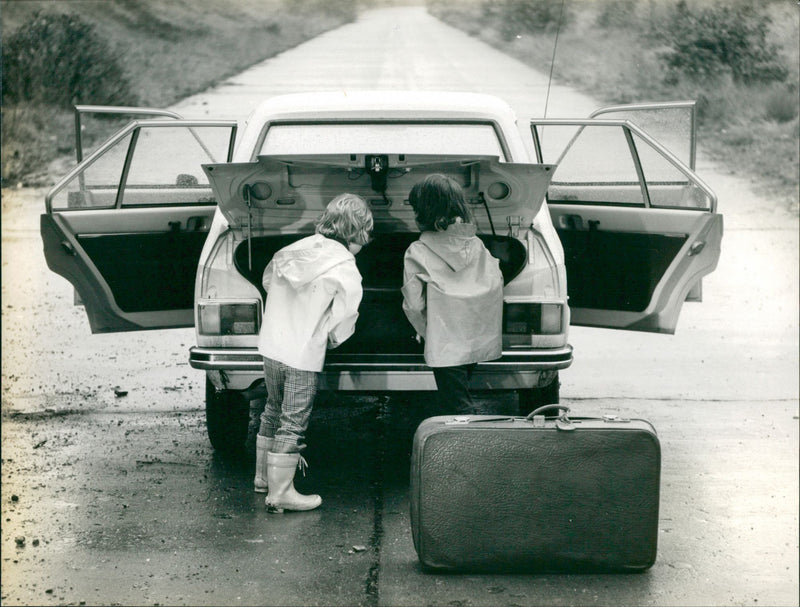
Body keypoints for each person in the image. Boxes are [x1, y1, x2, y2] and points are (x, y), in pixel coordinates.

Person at [254, 193, 373, 512]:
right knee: (293, 421)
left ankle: (262, 478)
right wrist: (330, 338)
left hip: (272, 344)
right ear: (356, 233)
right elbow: (345, 314)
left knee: (272, 408)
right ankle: (281, 493)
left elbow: (268, 281)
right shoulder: (345, 266)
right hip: (302, 350)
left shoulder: (290, 250)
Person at [401, 173, 504, 411]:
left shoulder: (417, 251)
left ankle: (466, 444)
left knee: (458, 404)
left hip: (444, 341)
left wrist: (427, 332)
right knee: (458, 395)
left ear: (422, 212)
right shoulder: (477, 244)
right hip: (475, 337)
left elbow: (414, 305)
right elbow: (494, 283)